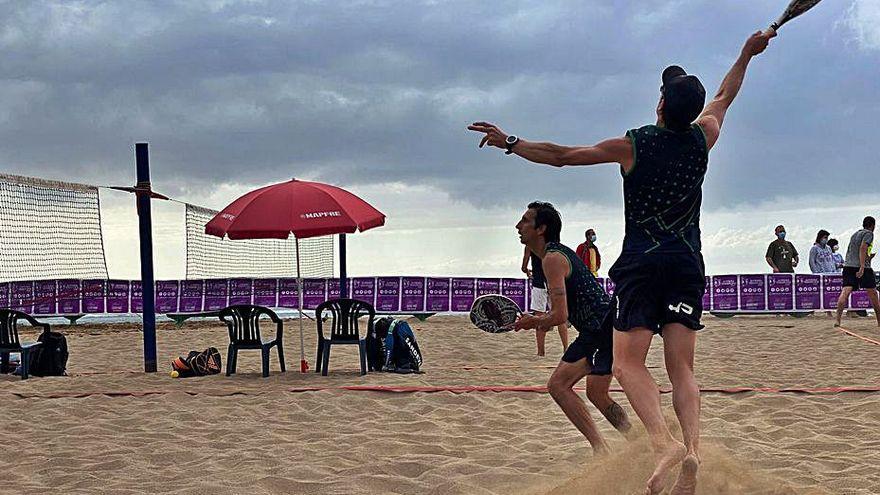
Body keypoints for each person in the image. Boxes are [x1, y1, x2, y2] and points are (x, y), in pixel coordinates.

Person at [470, 29, 775, 495]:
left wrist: (509, 141)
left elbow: (561, 157)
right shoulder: (703, 136)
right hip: (687, 263)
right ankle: (690, 449)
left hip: (641, 265)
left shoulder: (633, 145)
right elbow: (726, 94)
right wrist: (746, 53)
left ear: (659, 105)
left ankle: (662, 443)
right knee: (683, 370)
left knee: (629, 364)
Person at [513, 201, 631, 454]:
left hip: (600, 327)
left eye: (524, 221)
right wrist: (535, 319)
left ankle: (602, 449)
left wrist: (532, 321)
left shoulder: (553, 258)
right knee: (597, 394)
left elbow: (559, 316)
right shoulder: (546, 256)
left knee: (558, 385)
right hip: (604, 326)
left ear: (541, 228)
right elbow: (560, 312)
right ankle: (638, 440)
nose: (518, 226)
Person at [522, 245, 569, 356]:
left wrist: (527, 271)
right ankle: (566, 348)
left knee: (539, 317)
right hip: (553, 282)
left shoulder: (531, 244)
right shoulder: (552, 245)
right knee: (561, 317)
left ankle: (541, 352)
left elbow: (524, 266)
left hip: (539, 283)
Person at [834, 216, 880, 327]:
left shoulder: (855, 234)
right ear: (872, 226)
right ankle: (879, 322)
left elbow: (851, 251)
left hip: (848, 266)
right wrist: (863, 266)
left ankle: (837, 320)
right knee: (873, 294)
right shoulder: (869, 234)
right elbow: (863, 248)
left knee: (845, 292)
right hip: (861, 267)